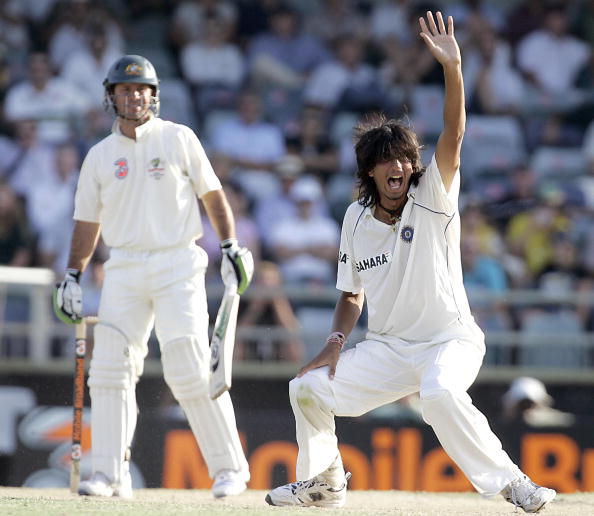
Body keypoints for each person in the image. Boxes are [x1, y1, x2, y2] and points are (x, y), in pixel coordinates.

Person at [265, 12, 556, 513]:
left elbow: (455, 133)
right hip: (390, 348)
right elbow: (350, 294)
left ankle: (513, 484)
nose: (398, 167)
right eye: (387, 161)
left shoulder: (433, 195)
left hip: (450, 340)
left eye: (404, 159)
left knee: (440, 394)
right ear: (370, 171)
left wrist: (454, 68)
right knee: (307, 388)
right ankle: (323, 482)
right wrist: (335, 344)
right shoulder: (354, 218)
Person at [52, 55, 254, 499]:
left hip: (177, 262)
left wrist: (229, 244)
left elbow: (212, 193)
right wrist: (72, 274)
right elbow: (87, 222)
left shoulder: (178, 138)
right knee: (109, 370)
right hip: (123, 266)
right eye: (124, 89)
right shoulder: (100, 157)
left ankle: (228, 470)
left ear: (153, 94)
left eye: (141, 88)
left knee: (189, 365)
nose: (134, 95)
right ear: (112, 97)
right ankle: (109, 474)